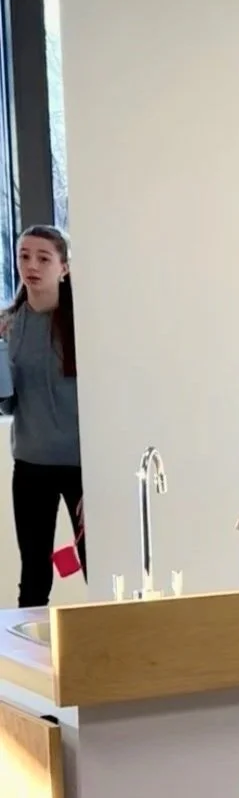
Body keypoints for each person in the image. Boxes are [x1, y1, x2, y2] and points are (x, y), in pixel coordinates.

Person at [0, 226, 85, 607]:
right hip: (31, 465)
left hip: (84, 466)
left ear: (64, 267)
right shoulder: (9, 325)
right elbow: (5, 402)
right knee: (33, 572)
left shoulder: (85, 323)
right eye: (24, 256)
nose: (31, 265)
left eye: (43, 258)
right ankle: (29, 662)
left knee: (98, 566)